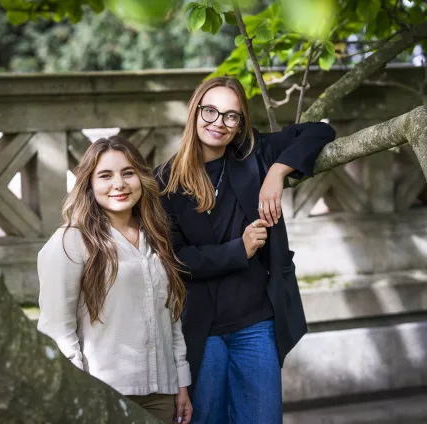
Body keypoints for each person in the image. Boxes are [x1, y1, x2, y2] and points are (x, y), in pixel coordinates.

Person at [155, 77, 336, 423]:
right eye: (210, 111)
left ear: (240, 125)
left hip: (255, 323)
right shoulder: (165, 182)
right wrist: (239, 250)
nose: (218, 123)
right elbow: (176, 261)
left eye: (230, 116)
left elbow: (320, 132)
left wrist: (278, 173)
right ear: (195, 113)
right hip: (201, 329)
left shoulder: (257, 155)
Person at [37, 136, 193, 424]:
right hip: (105, 394)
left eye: (128, 173)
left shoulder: (157, 238)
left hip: (162, 394)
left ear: (141, 179)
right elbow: (58, 331)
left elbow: (171, 317)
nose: (119, 184)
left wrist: (180, 382)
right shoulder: (70, 242)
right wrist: (80, 394)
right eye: (105, 175)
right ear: (89, 184)